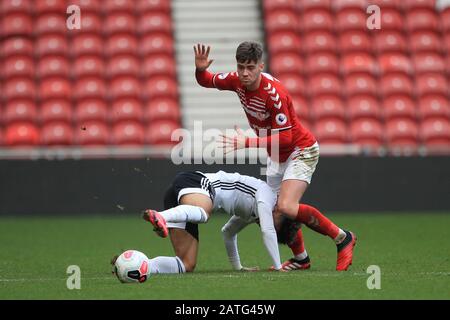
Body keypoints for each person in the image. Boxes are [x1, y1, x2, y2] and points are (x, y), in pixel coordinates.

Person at [194, 42, 356, 271]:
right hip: (277, 155)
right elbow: (206, 80)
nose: (244, 73)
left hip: (301, 149)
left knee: (287, 207)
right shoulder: (236, 80)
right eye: (241, 67)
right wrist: (200, 69)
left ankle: (342, 237)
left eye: (250, 67)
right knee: (272, 210)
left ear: (261, 66)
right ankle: (301, 258)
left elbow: (288, 139)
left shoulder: (273, 94)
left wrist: (248, 142)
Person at [141, 170, 307, 274]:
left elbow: (227, 232)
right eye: (273, 222)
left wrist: (238, 268)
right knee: (204, 214)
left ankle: (142, 266)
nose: (265, 223)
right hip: (197, 183)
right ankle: (162, 216)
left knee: (186, 265)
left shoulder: (251, 213)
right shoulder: (267, 196)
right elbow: (267, 231)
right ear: (281, 212)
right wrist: (278, 267)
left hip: (183, 202)